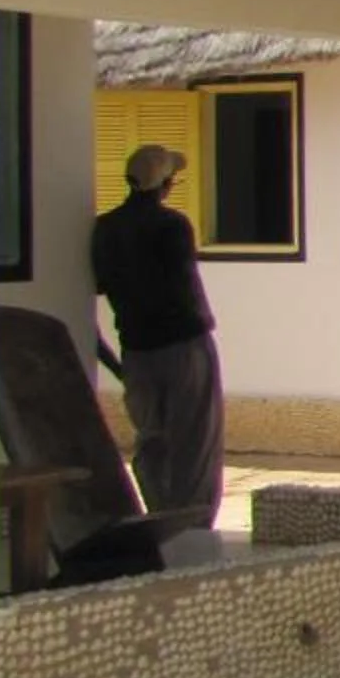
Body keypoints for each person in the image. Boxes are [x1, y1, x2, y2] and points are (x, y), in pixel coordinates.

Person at [90, 142, 224, 531]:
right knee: (195, 444)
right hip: (184, 347)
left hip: (136, 351)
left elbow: (104, 285)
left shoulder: (106, 228)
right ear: (165, 184)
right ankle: (193, 527)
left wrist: (117, 363)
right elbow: (184, 286)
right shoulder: (172, 226)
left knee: (151, 440)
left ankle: (161, 519)